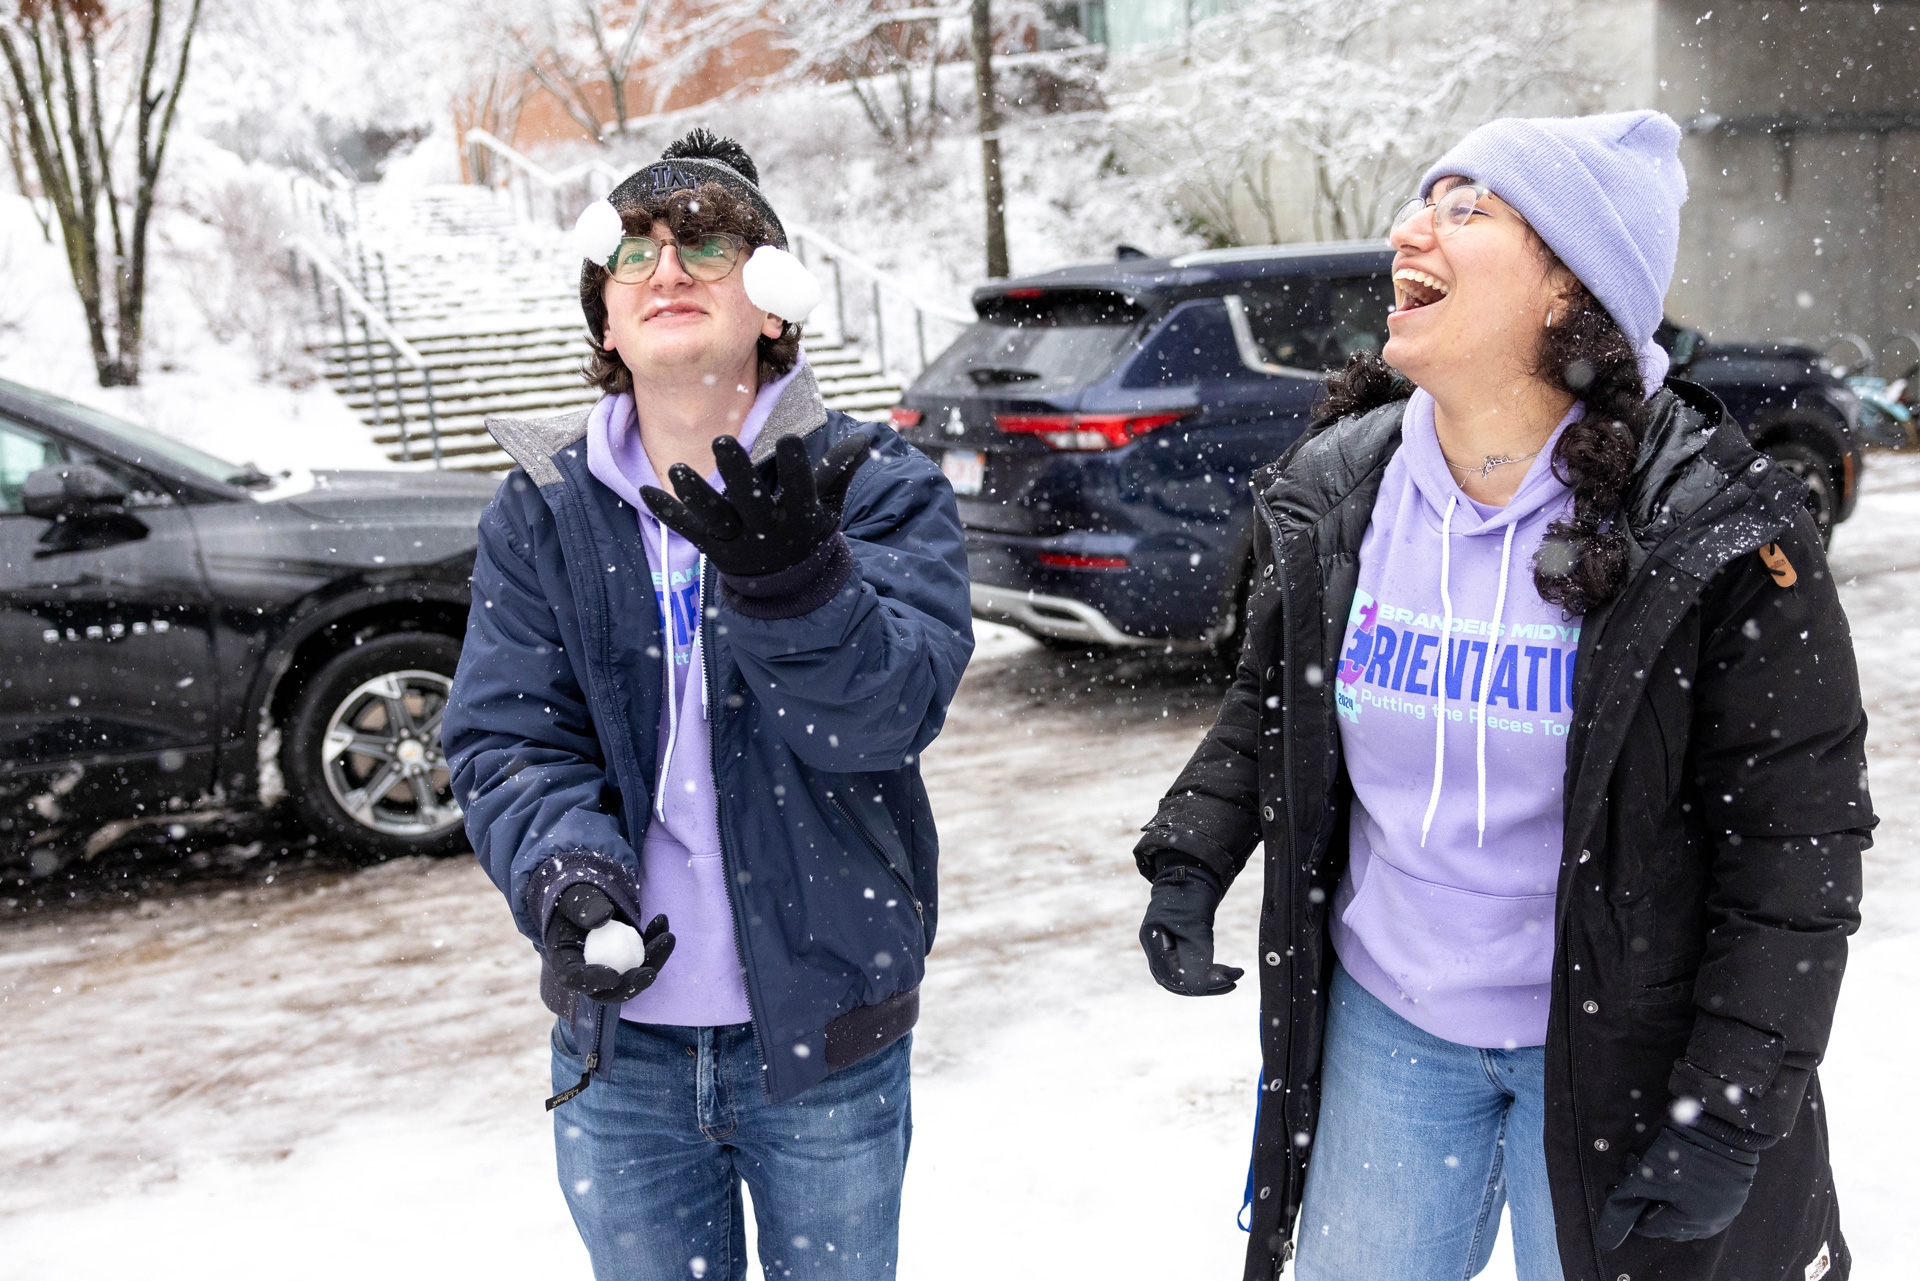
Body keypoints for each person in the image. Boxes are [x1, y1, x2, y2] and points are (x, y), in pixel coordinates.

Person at [1133, 111, 1870, 1281]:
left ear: (1570, 288)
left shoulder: (1714, 525)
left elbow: (1795, 848)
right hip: (1388, 1028)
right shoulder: (1344, 485)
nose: (1406, 229)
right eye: (1420, 198)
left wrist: (1734, 1103)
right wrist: (1192, 851)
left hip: (1614, 1042)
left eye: (1464, 206)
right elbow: (1276, 703)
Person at [444, 128, 973, 1280]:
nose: (669, 267)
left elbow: (886, 717)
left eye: (708, 241)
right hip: (619, 1047)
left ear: (774, 306)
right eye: (635, 251)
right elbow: (507, 738)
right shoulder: (542, 511)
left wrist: (800, 587)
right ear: (604, 323)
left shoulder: (870, 485)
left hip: (827, 1037)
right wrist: (569, 883)